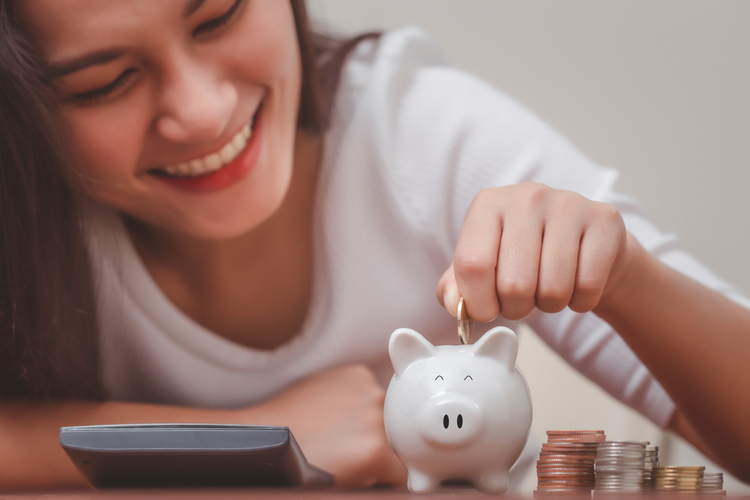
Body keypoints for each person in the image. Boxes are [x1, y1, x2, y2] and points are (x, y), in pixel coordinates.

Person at [0, 0, 748, 491]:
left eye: (220, 15)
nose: (202, 111)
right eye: (104, 82)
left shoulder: (425, 137)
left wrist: (628, 279)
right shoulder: (26, 203)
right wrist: (256, 442)